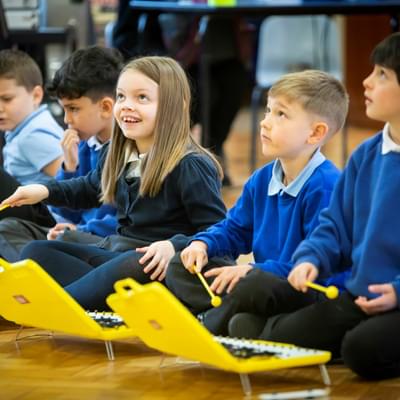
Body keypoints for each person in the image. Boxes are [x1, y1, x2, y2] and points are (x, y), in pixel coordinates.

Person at [1, 56, 226, 312]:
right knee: (37, 251)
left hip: (157, 267)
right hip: (116, 251)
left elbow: (219, 233)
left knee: (135, 261)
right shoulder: (115, 152)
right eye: (122, 96)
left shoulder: (190, 164)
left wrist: (173, 246)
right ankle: (79, 301)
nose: (127, 106)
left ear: (174, 106)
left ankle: (56, 306)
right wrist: (42, 191)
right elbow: (88, 188)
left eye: (142, 98)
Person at [259, 33, 400, 381]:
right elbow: (334, 226)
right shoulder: (366, 155)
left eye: (383, 74)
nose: (367, 81)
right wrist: (311, 258)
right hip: (359, 296)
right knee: (277, 338)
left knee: (361, 351)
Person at [166, 70, 349, 336]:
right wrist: (203, 243)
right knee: (179, 264)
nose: (265, 122)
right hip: (264, 282)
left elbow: (315, 268)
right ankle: (232, 317)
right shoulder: (262, 178)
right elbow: (235, 230)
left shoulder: (327, 186)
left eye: (281, 114)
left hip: (306, 291)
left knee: (252, 285)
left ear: (315, 133)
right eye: (267, 111)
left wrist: (251, 271)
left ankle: (204, 328)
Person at [0, 46, 123, 262]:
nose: (66, 120)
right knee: (7, 229)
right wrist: (69, 167)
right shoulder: (84, 145)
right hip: (75, 234)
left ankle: (44, 275)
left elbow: (127, 220)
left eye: (73, 109)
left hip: (104, 241)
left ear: (105, 107)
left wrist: (80, 230)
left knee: (45, 249)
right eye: (64, 110)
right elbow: (67, 214)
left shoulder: (128, 149)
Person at [0, 49, 63, 226]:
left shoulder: (33, 136)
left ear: (36, 95)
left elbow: (69, 182)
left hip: (46, 218)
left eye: (7, 99)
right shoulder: (25, 126)